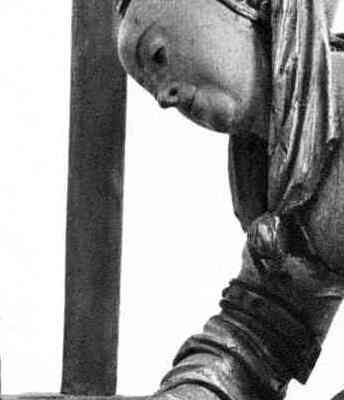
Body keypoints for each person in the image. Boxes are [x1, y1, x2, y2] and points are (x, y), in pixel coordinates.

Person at [117, 0, 344, 398]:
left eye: (159, 56)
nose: (165, 98)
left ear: (244, 9)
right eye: (151, 88)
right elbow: (257, 337)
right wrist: (191, 393)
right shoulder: (271, 174)